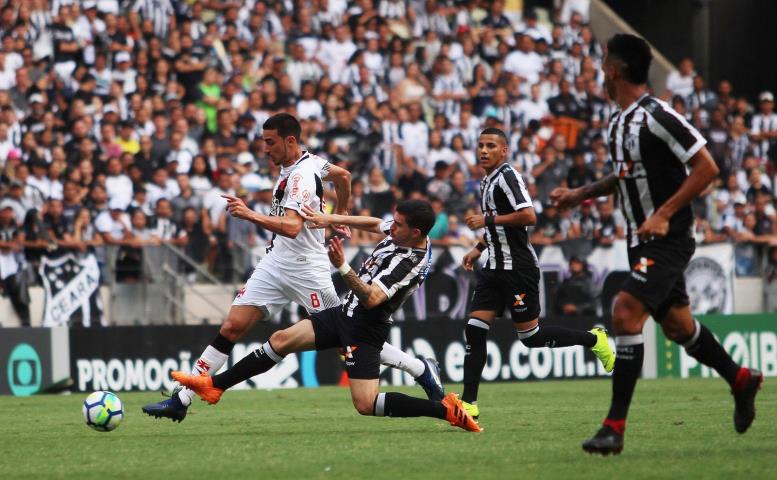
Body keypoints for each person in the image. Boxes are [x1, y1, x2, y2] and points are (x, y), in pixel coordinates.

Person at [143, 114, 443, 422]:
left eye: (269, 142)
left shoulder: (301, 177)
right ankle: (182, 399)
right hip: (275, 263)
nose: (265, 149)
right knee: (232, 326)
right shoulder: (312, 162)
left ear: (290, 141)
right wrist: (338, 214)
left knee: (348, 335)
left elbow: (290, 227)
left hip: (306, 268)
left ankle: (419, 368)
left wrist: (249, 214)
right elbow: (343, 176)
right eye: (263, 142)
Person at [550, 34, 763, 456]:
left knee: (624, 313)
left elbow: (706, 167)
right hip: (638, 239)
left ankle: (613, 428)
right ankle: (741, 379)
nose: (599, 69)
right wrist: (581, 194)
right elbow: (626, 177)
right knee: (679, 327)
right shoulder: (618, 123)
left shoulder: (656, 115)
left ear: (616, 69)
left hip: (669, 237)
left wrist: (665, 213)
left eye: (603, 61)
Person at [171, 200, 480, 433]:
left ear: (415, 233)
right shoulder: (404, 232)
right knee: (280, 340)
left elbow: (372, 298)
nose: (391, 227)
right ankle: (215, 386)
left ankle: (445, 411)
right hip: (345, 314)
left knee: (366, 405)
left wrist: (343, 266)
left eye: (397, 225)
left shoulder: (409, 261)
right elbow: (375, 224)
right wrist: (327, 218)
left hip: (365, 328)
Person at [458, 127, 615, 421]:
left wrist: (487, 219)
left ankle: (594, 340)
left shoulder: (507, 176)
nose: (483, 150)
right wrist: (479, 248)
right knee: (474, 329)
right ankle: (469, 403)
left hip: (519, 269)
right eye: (480, 145)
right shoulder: (486, 181)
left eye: (491, 145)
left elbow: (529, 216)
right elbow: (499, 227)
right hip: (494, 267)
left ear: (504, 151)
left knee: (530, 337)